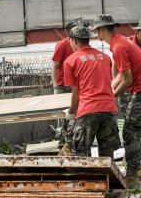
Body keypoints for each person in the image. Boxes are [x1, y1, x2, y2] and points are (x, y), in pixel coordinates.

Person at [92, 14, 141, 189]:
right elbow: (121, 75)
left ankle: (132, 176)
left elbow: (127, 79)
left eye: (96, 31)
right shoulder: (121, 41)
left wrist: (111, 96)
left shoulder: (120, 46)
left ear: (100, 30)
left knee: (131, 132)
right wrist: (108, 90)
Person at [64, 22, 121, 159]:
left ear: (75, 40)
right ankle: (109, 179)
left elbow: (76, 94)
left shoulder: (70, 61)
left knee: (82, 153)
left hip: (88, 110)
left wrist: (71, 113)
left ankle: (87, 180)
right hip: (109, 109)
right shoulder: (105, 58)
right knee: (107, 155)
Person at [51, 19, 81, 155]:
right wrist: (56, 86)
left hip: (76, 84)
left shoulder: (81, 44)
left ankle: (71, 143)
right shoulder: (62, 45)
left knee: (76, 115)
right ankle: (63, 143)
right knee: (66, 116)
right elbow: (55, 65)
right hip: (64, 85)